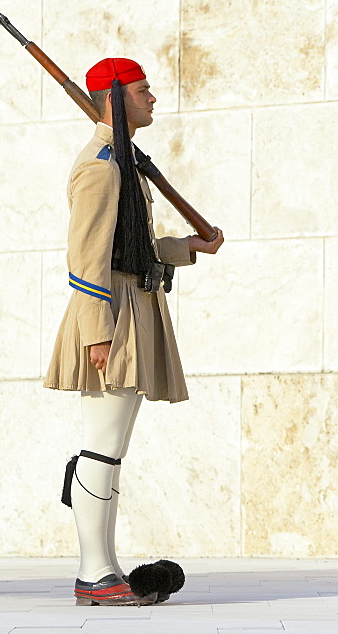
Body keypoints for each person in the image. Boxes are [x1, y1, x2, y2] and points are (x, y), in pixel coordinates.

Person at [44, 57, 224, 606]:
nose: (153, 99)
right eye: (144, 91)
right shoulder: (100, 166)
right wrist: (98, 334)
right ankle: (93, 572)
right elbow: (87, 258)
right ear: (116, 97)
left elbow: (133, 249)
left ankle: (104, 567)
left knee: (110, 449)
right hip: (111, 314)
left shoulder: (121, 160)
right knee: (101, 447)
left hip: (131, 306)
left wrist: (185, 248)